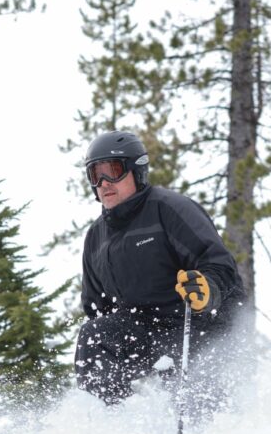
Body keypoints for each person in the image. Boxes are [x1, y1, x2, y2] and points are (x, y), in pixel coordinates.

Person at [74, 130, 245, 416]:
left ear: (136, 171)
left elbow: (219, 265)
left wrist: (206, 289)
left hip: (196, 324)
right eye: (95, 175)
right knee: (96, 334)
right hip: (143, 329)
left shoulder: (169, 209)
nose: (104, 184)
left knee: (191, 399)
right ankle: (109, 423)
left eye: (112, 171)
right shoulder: (96, 237)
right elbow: (96, 307)